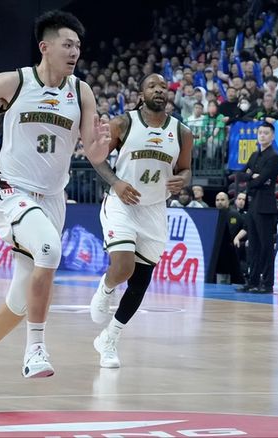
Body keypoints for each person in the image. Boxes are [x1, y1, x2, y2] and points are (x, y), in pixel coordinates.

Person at [0, 10, 110, 395]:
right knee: (50, 249)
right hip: (9, 189)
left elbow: (91, 149)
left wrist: (99, 150)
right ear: (45, 47)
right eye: (67, 44)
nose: (75, 52)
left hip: (52, 198)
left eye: (78, 46)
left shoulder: (81, 92)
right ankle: (35, 349)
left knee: (22, 298)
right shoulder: (16, 81)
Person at [87, 73, 192, 367]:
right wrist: (116, 182)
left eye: (163, 87)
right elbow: (96, 157)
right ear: (141, 93)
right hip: (122, 204)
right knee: (123, 267)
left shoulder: (182, 132)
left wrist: (183, 180)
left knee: (140, 283)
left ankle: (109, 338)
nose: (159, 90)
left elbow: (186, 168)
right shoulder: (123, 123)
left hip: (155, 209)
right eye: (152, 86)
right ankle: (106, 288)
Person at [235, 122, 278, 294]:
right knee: (253, 245)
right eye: (260, 132)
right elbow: (240, 175)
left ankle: (267, 283)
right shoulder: (254, 155)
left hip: (265, 206)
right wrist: (252, 177)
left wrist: (253, 178)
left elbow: (261, 180)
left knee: (266, 246)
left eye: (266, 133)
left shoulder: (274, 156)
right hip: (253, 203)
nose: (262, 135)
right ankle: (252, 281)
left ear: (272, 136)